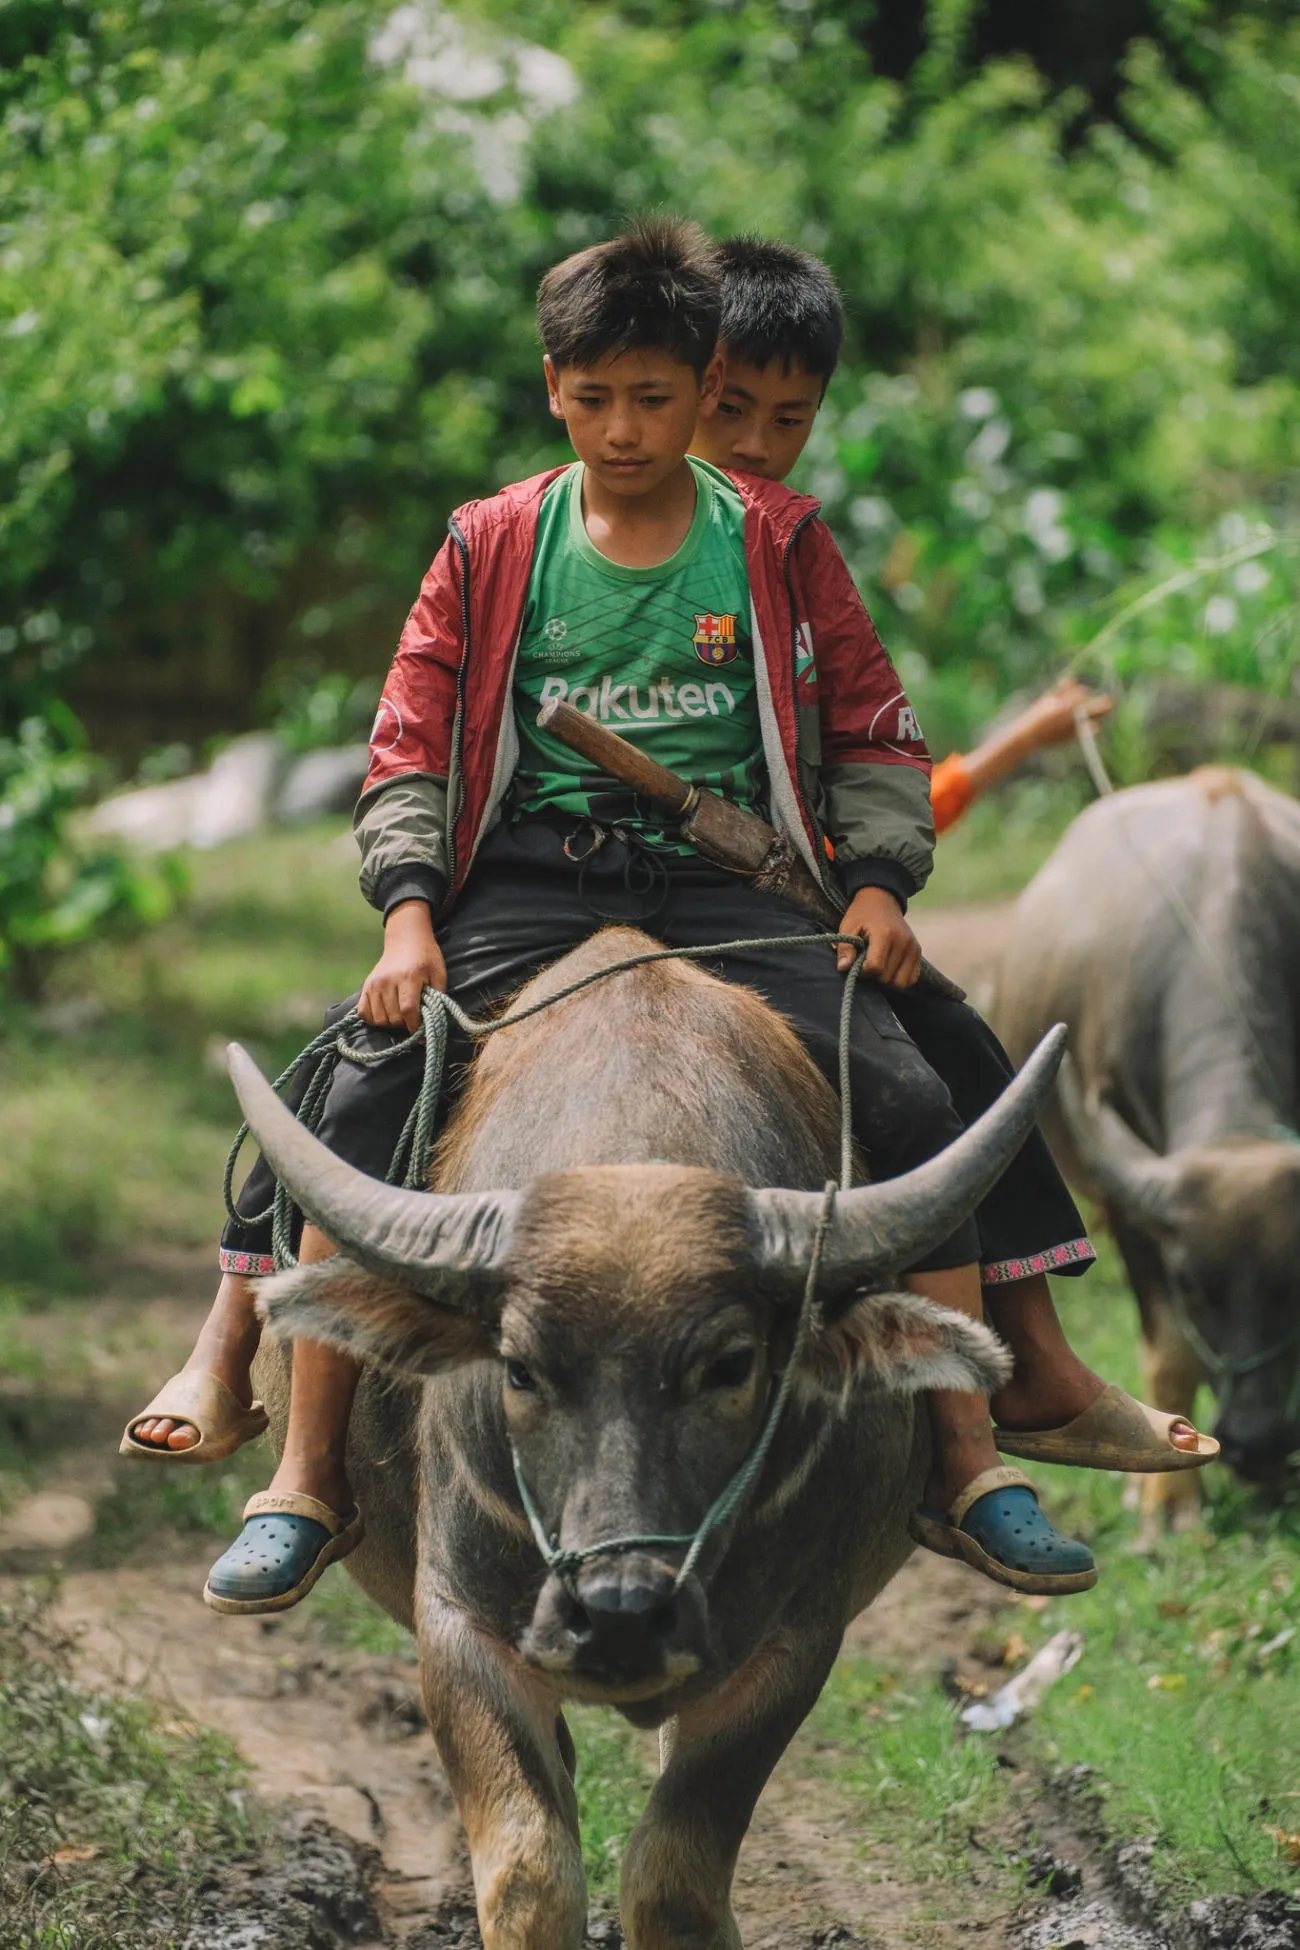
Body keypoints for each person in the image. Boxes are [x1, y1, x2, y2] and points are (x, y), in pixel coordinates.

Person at [124, 222, 1211, 1614]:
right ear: (551, 389)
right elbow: (410, 742)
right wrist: (407, 918)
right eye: (594, 400)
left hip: (732, 883)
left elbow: (871, 727)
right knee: (355, 1084)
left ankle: (969, 1451)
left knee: (912, 1072)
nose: (624, 428)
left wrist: (878, 883)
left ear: (703, 389)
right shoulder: (493, 541)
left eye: (654, 398)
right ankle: (310, 1472)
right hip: (529, 873)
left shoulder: (776, 539)